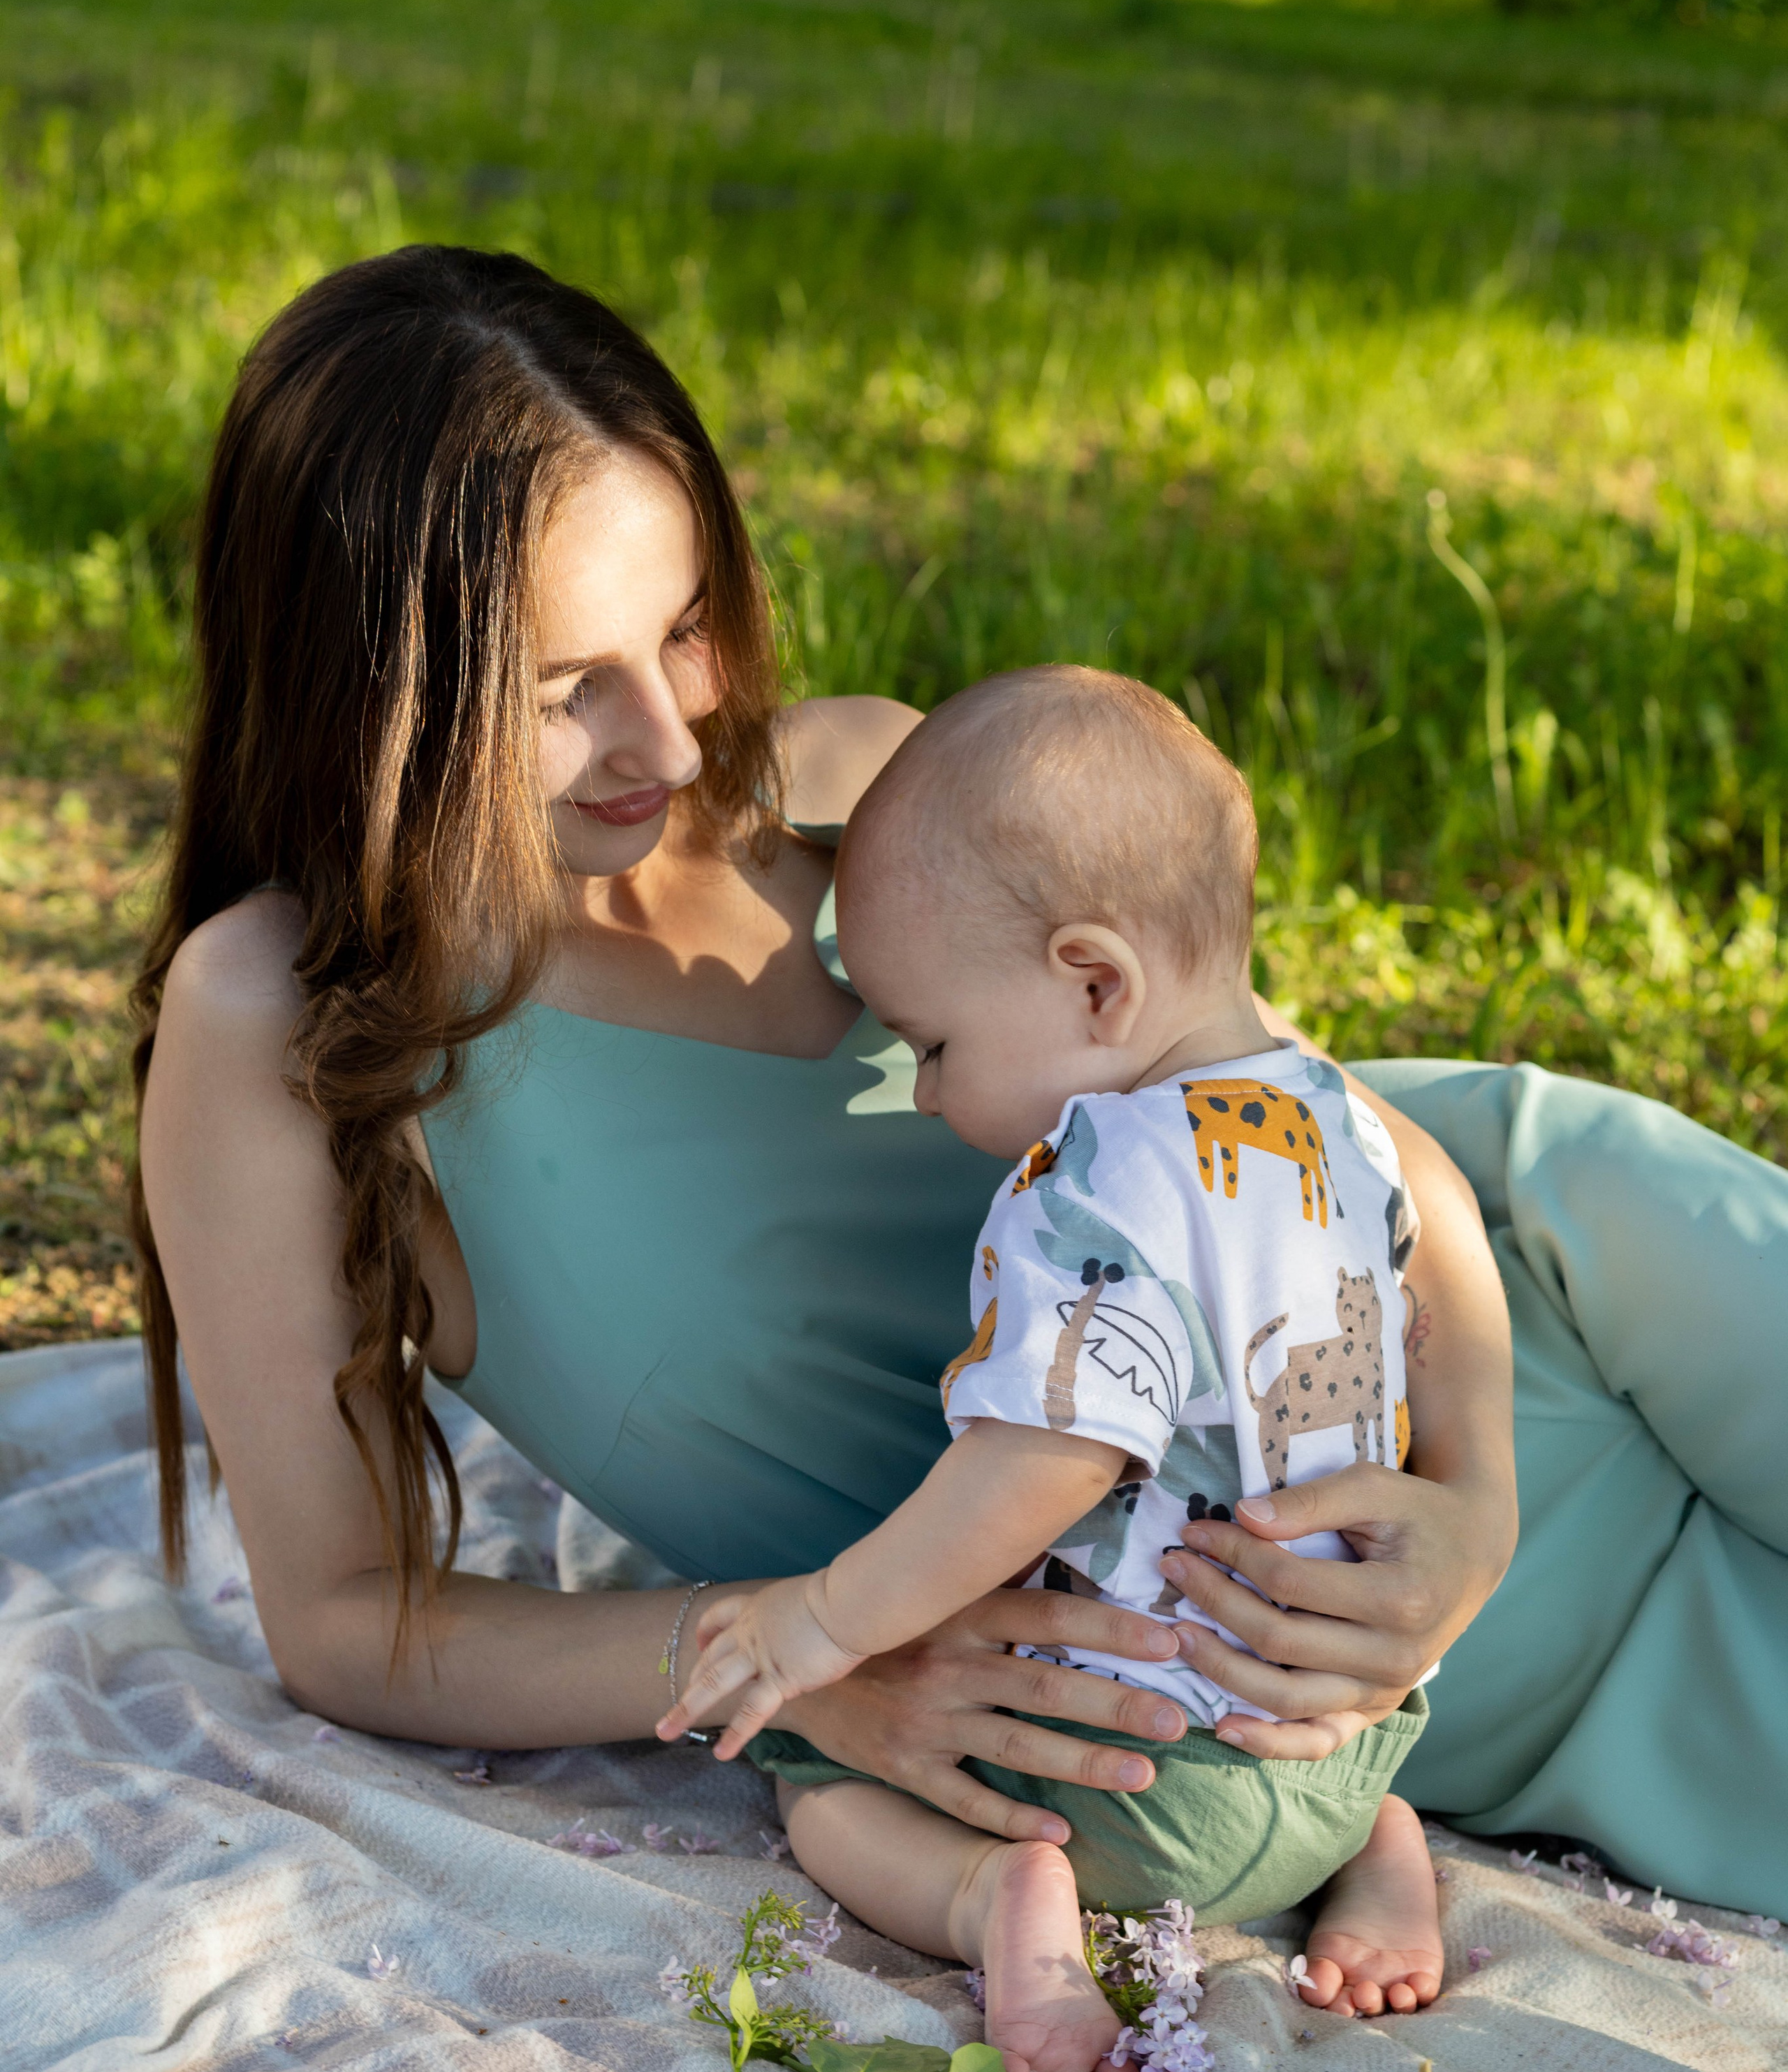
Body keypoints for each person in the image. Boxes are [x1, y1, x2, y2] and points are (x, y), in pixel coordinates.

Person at [133, 246, 1788, 1968]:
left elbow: (1318, 1122)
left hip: (1563, 1321)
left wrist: (1476, 1508)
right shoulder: (286, 1024)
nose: (675, 739)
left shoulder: (862, 782)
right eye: (565, 691)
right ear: (359, 684)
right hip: (1343, 1717)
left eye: (683, 630)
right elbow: (342, 1623)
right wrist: (803, 1656)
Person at [659, 670, 1454, 2072]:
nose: (917, 1095)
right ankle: (1376, 1846)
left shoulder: (1095, 1178)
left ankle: (991, 1906)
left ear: (1094, 984)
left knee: (808, 1779)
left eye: (936, 1048)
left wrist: (826, 1618)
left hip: (1148, 1793)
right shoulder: (1345, 1129)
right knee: (1314, 1742)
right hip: (1351, 1725)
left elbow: (1047, 1456)